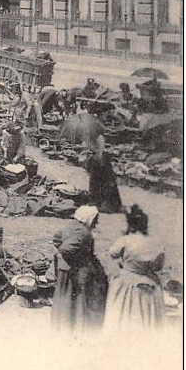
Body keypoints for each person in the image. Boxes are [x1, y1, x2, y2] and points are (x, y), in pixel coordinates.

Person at [104, 205, 165, 333]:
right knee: (147, 318)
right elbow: (159, 266)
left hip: (127, 282)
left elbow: (112, 254)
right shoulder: (156, 243)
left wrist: (125, 262)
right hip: (149, 282)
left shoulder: (125, 240)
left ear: (131, 225)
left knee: (123, 315)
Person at [51, 205, 109, 333]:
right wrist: (76, 258)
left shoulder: (70, 225)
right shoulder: (83, 232)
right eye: (95, 219)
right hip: (75, 269)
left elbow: (56, 238)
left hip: (65, 268)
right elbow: (67, 249)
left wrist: (61, 254)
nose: (96, 222)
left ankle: (64, 324)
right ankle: (79, 325)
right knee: (79, 297)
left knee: (66, 297)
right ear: (88, 218)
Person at [84, 136, 123, 213]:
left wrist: (94, 155)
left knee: (103, 184)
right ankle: (100, 202)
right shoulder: (96, 138)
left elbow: (99, 151)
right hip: (98, 162)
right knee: (97, 184)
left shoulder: (99, 138)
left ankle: (106, 204)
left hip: (100, 163)